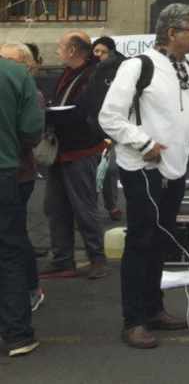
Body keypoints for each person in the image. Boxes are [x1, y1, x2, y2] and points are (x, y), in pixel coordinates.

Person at [99, 4, 189, 349]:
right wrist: (143, 141)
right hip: (142, 169)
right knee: (140, 242)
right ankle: (133, 321)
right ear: (172, 33)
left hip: (175, 170)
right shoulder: (138, 66)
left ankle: (153, 309)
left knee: (161, 241)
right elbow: (109, 116)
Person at [38, 31, 108, 280]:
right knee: (54, 206)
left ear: (72, 51)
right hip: (62, 148)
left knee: (84, 206)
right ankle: (62, 260)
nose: (56, 51)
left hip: (81, 148)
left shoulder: (93, 74)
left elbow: (89, 111)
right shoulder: (69, 72)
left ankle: (97, 259)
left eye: (60, 47)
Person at [0, 52, 44, 357]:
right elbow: (31, 131)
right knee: (10, 252)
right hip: (4, 173)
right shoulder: (15, 74)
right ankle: (17, 335)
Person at [93, 36, 124, 221]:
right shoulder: (92, 70)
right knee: (93, 169)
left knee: (110, 169)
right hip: (94, 126)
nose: (98, 55)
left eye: (102, 52)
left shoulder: (120, 69)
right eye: (95, 51)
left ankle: (111, 204)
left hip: (113, 125)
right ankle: (90, 208)